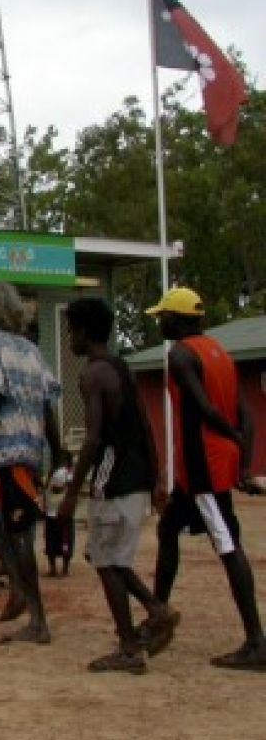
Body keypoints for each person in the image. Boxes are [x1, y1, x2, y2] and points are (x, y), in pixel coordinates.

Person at [144, 287, 266, 670]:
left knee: (228, 545)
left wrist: (228, 437)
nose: (160, 321)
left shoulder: (181, 353)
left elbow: (204, 406)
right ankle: (157, 615)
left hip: (203, 468)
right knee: (167, 532)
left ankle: (257, 641)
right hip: (203, 466)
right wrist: (243, 459)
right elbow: (244, 413)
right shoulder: (219, 353)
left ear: (178, 319)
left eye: (163, 316)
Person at [57, 297, 178, 674]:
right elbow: (144, 425)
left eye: (70, 330)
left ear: (82, 331)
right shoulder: (121, 367)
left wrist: (72, 494)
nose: (69, 338)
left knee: (107, 563)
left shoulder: (92, 374)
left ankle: (128, 648)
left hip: (113, 482)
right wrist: (156, 477)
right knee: (109, 558)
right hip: (137, 478)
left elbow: (92, 440)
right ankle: (157, 611)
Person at [0, 282, 62, 644]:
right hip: (30, 450)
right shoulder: (32, 350)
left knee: (20, 534)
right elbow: (48, 402)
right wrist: (57, 449)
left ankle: (37, 620)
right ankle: (19, 589)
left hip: (9, 450)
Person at [42, 459, 74, 578]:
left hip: (62, 516)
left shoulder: (66, 474)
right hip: (53, 515)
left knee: (64, 542)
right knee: (55, 542)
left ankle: (63, 568)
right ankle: (56, 568)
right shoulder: (50, 477)